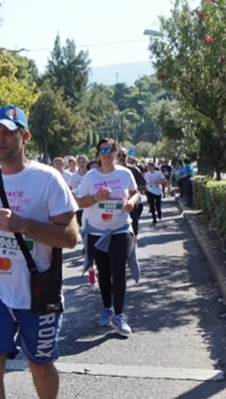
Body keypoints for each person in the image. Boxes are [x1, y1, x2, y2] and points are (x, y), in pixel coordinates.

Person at [0, 105, 79, 399]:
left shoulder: (48, 179)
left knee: (40, 366)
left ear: (25, 136)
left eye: (8, 132)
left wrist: (24, 225)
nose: (0, 138)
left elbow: (70, 237)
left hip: (37, 292)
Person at [75, 138, 140, 337]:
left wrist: (131, 202)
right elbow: (78, 201)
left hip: (120, 229)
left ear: (115, 152)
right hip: (96, 231)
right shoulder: (91, 176)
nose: (105, 153)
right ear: (98, 154)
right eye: (102, 150)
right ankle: (106, 307)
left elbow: (135, 193)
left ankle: (119, 315)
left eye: (109, 150)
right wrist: (96, 198)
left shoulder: (125, 173)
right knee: (104, 272)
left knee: (119, 270)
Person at [121, 154, 148, 238]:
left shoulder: (133, 170)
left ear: (127, 157)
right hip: (116, 205)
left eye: (124, 155)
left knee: (133, 227)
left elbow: (143, 185)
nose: (121, 157)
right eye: (119, 155)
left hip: (132, 203)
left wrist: (131, 191)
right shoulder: (110, 170)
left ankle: (133, 246)